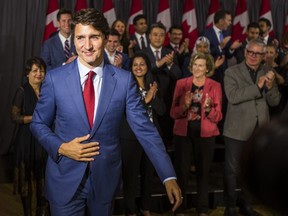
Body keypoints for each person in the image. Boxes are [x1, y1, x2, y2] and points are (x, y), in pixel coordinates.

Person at [30, 8, 182, 216]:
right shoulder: (55, 79)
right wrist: (61, 148)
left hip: (104, 181)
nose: (88, 45)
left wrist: (168, 175)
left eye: (94, 37)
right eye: (81, 38)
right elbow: (38, 124)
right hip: (64, 179)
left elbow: (145, 129)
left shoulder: (123, 80)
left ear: (105, 38)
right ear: (73, 41)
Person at [223, 38, 281, 216]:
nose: (253, 56)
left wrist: (270, 87)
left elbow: (275, 101)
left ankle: (246, 205)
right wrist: (258, 86)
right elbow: (233, 96)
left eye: (258, 53)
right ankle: (230, 206)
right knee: (232, 171)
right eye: (250, 52)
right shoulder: (232, 72)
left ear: (264, 56)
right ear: (245, 52)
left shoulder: (268, 71)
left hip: (259, 130)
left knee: (251, 170)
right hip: (236, 129)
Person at [170, 53, 222, 216]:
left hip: (206, 135)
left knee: (203, 173)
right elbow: (173, 113)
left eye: (201, 65)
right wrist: (185, 106)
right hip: (183, 135)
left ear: (207, 68)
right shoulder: (181, 84)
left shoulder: (215, 86)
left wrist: (208, 109)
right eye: (195, 64)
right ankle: (180, 209)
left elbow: (218, 116)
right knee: (182, 173)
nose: (197, 68)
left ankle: (203, 209)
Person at [120, 52, 165, 216]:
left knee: (148, 176)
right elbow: (124, 113)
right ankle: (130, 211)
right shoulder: (125, 86)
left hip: (150, 138)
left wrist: (153, 97)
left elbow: (161, 110)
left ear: (147, 67)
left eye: (142, 64)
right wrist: (146, 100)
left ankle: (146, 208)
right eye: (135, 65)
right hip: (130, 138)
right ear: (131, 68)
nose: (139, 67)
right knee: (130, 177)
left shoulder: (153, 84)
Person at [11, 57, 48, 216]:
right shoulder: (22, 91)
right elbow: (14, 117)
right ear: (28, 73)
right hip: (26, 140)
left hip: (43, 139)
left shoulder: (48, 90)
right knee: (27, 179)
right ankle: (27, 212)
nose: (38, 74)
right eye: (35, 70)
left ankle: (41, 210)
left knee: (42, 178)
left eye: (41, 70)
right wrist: (34, 118)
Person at [141, 22, 182, 148]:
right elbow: (145, 71)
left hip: (168, 100)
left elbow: (178, 75)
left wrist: (169, 64)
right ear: (149, 36)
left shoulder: (170, 53)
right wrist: (160, 63)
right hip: (150, 101)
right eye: (155, 35)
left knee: (166, 138)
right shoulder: (143, 53)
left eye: (161, 35)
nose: (158, 38)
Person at [241, 115, 288, 215]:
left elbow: (273, 102)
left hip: (263, 126)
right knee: (233, 170)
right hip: (241, 129)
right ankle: (235, 205)